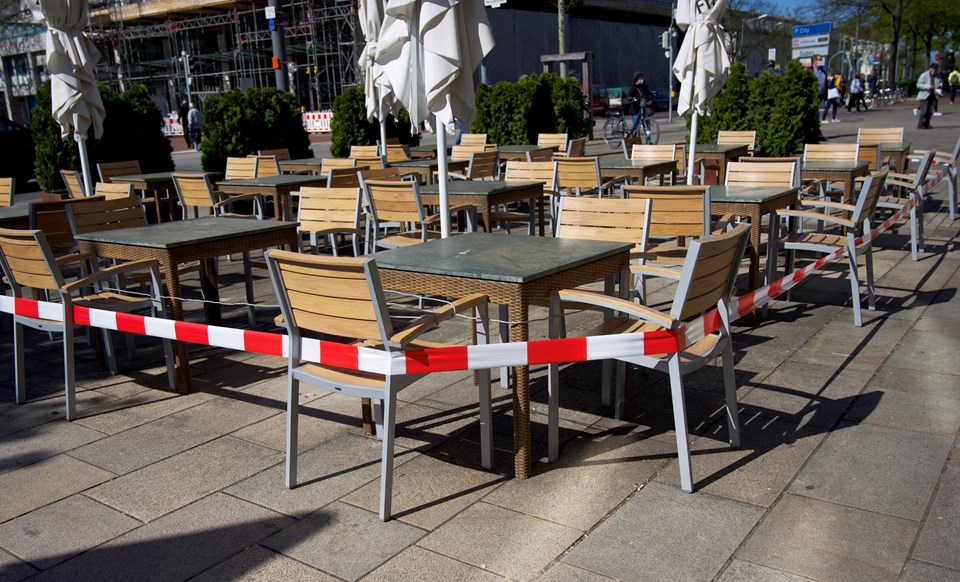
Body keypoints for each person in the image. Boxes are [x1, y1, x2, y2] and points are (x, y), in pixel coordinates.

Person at [626, 72, 654, 139]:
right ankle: (634, 140)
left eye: (642, 78)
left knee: (647, 125)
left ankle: (648, 142)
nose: (642, 79)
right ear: (636, 80)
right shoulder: (633, 88)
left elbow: (650, 94)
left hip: (644, 108)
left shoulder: (645, 87)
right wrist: (632, 99)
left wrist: (650, 98)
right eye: (640, 78)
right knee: (635, 126)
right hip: (635, 109)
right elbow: (628, 96)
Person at [916, 62, 942, 129]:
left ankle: (927, 124)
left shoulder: (938, 75)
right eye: (933, 69)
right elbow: (918, 85)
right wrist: (928, 87)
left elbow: (941, 82)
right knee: (924, 110)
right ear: (930, 68)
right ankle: (920, 124)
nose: (934, 71)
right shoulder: (924, 75)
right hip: (924, 95)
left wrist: (939, 86)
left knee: (930, 111)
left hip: (933, 95)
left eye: (936, 69)